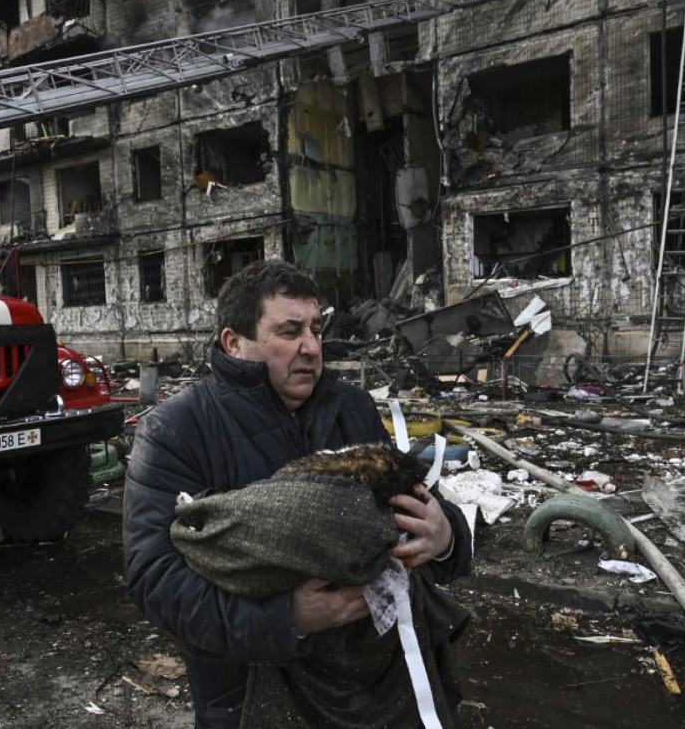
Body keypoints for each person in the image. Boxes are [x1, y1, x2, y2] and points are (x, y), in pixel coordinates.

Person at [122, 259, 472, 729]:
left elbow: (408, 497)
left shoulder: (352, 407)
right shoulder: (174, 430)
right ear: (234, 342)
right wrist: (287, 618)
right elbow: (155, 580)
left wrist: (445, 534)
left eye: (315, 328)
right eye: (289, 332)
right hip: (247, 693)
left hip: (372, 684)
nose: (311, 347)